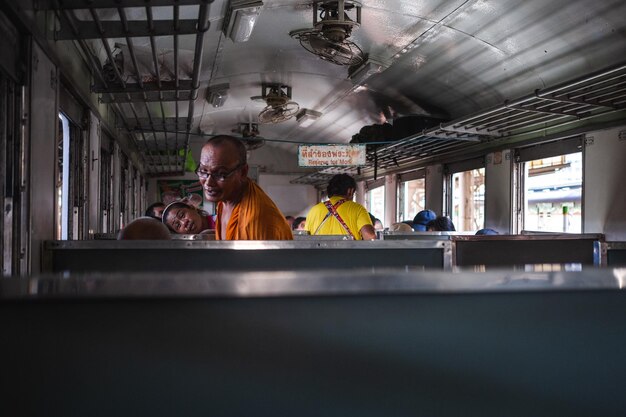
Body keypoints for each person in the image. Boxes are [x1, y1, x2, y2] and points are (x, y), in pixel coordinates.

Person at [197, 135, 292, 240]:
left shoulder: (255, 220)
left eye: (220, 174)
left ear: (243, 172)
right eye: (203, 171)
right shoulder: (224, 200)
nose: (208, 182)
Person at [305, 174, 376, 240]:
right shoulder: (357, 209)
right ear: (350, 191)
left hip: (319, 253)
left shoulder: (313, 210)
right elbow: (370, 236)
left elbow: (305, 238)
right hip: (349, 253)